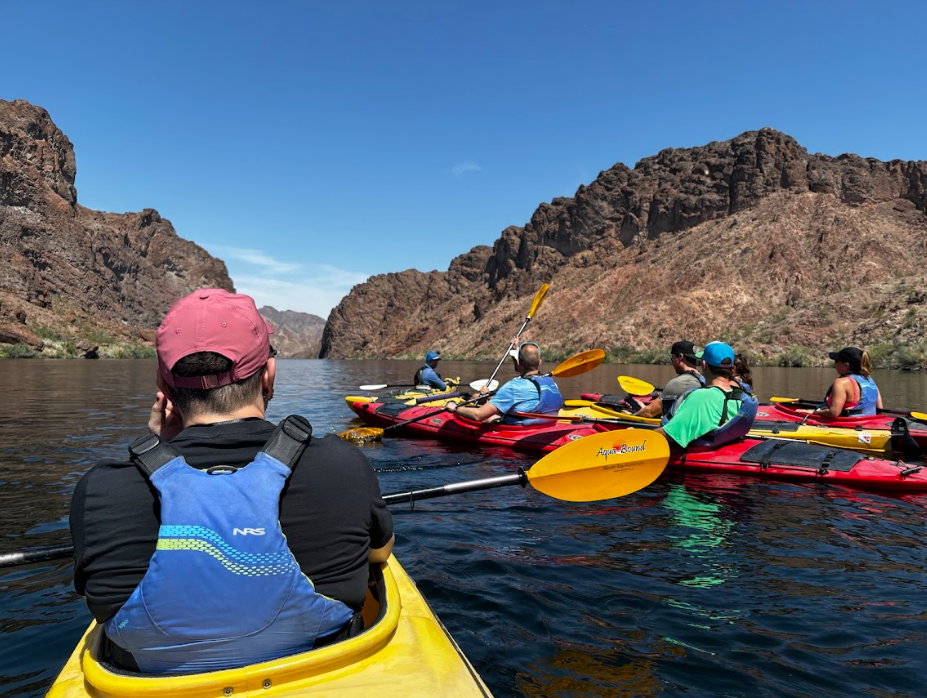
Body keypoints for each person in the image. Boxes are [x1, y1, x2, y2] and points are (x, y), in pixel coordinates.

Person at [69, 289, 394, 674]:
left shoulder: (101, 490)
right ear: (269, 376)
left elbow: (98, 594)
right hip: (319, 670)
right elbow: (380, 554)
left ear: (163, 384)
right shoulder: (342, 466)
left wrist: (164, 451)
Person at [656, 341, 758, 448]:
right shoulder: (741, 397)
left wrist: (638, 434)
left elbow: (669, 435)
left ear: (704, 365)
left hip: (692, 457)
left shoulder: (701, 398)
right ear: (732, 369)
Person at [445, 341, 563, 424]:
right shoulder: (551, 383)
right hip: (546, 424)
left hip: (521, 428)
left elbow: (478, 415)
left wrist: (455, 408)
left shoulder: (513, 387)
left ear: (519, 363)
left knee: (489, 418)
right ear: (540, 362)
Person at [632, 341, 704, 419]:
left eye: (672, 358)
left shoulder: (678, 383)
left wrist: (632, 415)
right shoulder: (703, 378)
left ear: (680, 357)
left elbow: (649, 412)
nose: (672, 363)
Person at [810, 346, 882, 417]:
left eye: (837, 361)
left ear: (846, 365)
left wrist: (815, 412)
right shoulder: (869, 379)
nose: (835, 364)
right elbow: (879, 408)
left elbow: (834, 413)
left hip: (852, 425)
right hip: (870, 422)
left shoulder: (841, 383)